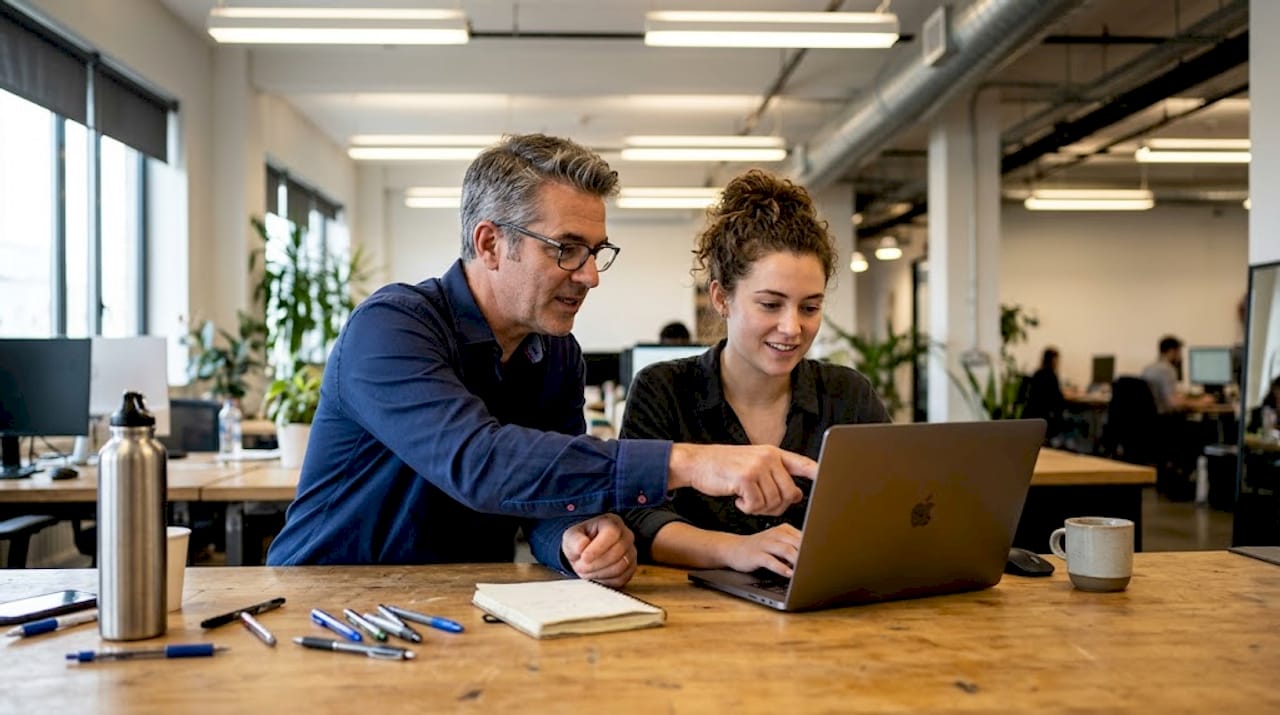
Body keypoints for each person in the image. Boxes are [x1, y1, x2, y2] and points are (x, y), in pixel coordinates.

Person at [266, 135, 817, 587]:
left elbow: (547, 501)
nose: (590, 275)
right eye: (566, 249)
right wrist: (689, 462)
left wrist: (578, 539)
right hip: (327, 601)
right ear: (489, 244)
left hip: (460, 603)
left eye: (596, 252)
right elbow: (479, 463)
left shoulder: (556, 355)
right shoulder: (392, 327)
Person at [614, 169, 890, 578]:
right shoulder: (664, 390)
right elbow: (638, 518)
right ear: (721, 298)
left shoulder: (847, 394)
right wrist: (736, 549)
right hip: (696, 610)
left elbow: (889, 506)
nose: (792, 328)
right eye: (770, 305)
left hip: (824, 605)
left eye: (810, 307)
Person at [1140, 335, 1213, 414]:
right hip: (1164, 416)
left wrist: (1183, 397)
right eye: (1179, 352)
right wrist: (1200, 403)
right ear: (1172, 351)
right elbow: (1174, 403)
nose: (1180, 357)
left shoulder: (1148, 368)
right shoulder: (1167, 369)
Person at [1023, 347, 1066, 439]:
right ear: (1053, 361)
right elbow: (1057, 399)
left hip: (1033, 415)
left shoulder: (1037, 373)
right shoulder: (1051, 375)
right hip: (1045, 416)